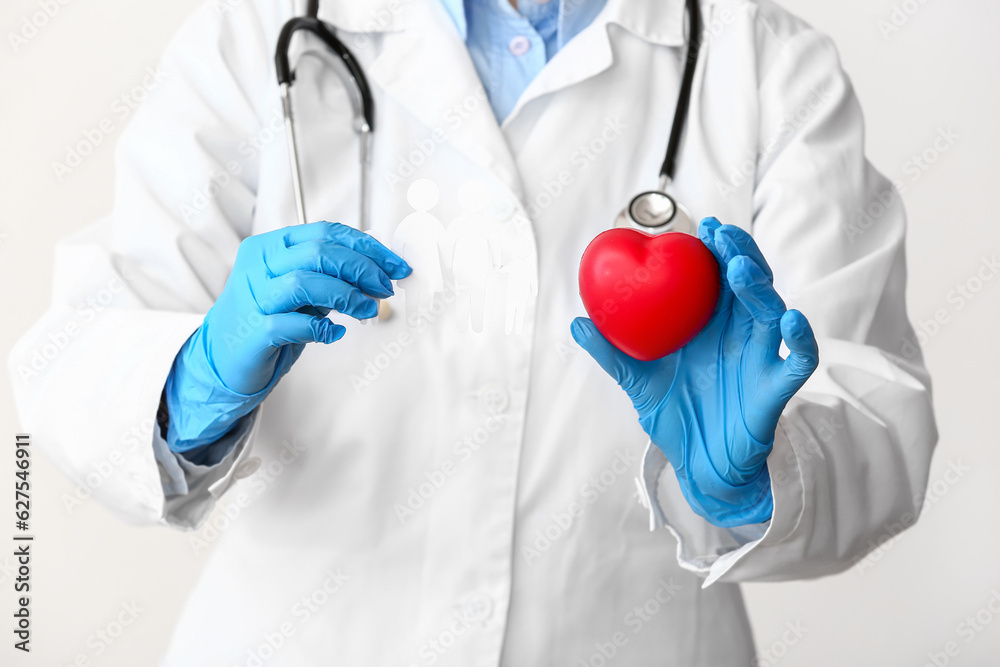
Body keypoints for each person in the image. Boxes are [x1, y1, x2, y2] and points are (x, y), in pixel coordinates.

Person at [8, 0, 938, 664]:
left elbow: (876, 416)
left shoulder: (772, 70)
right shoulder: (253, 33)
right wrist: (197, 377)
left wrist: (762, 473)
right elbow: (75, 351)